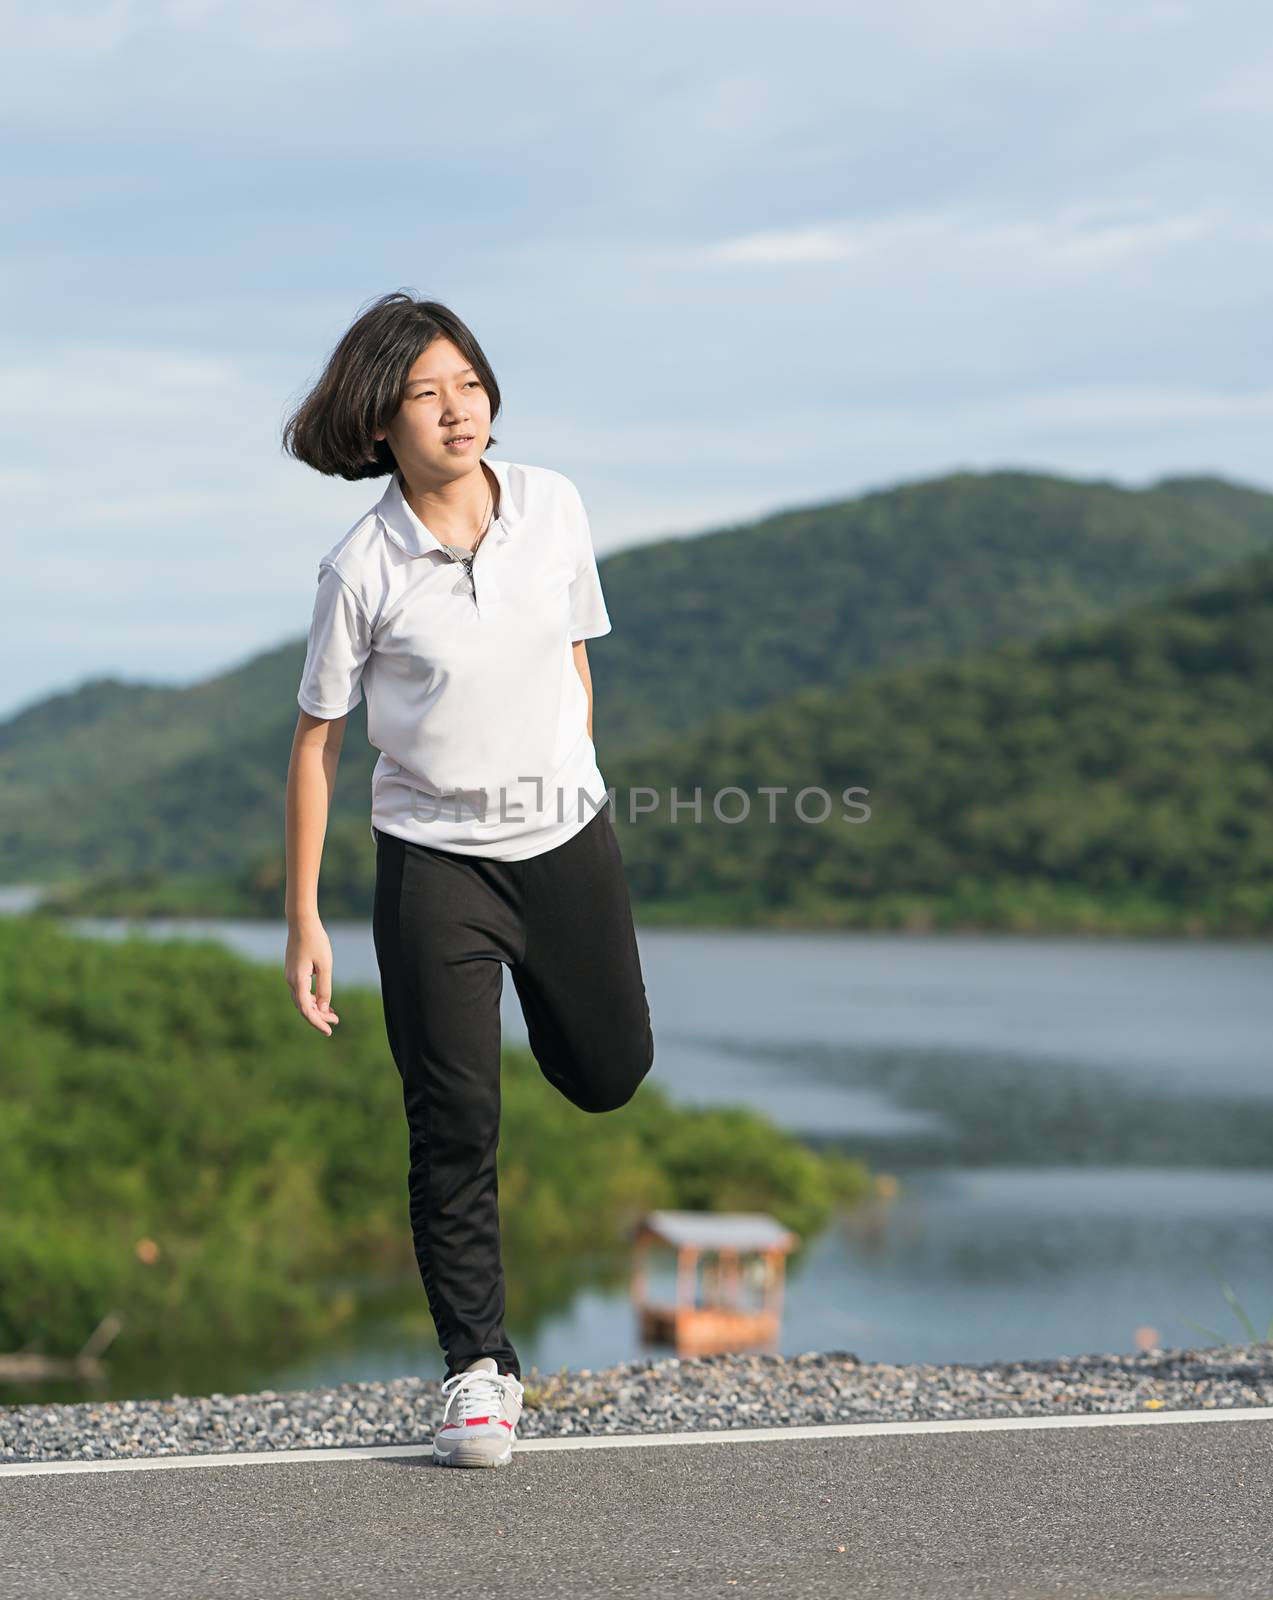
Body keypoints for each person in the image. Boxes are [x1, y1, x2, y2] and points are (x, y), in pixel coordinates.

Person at [280, 292, 656, 1469]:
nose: (457, 408)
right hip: (432, 863)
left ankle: (537, 1008)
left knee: (607, 1074)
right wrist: (305, 915)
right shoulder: (361, 567)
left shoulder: (555, 505)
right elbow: (317, 741)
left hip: (564, 841)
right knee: (452, 1119)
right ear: (379, 423)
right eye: (426, 392)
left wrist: (569, 775)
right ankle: (478, 1374)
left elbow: (577, 657)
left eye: (469, 383)